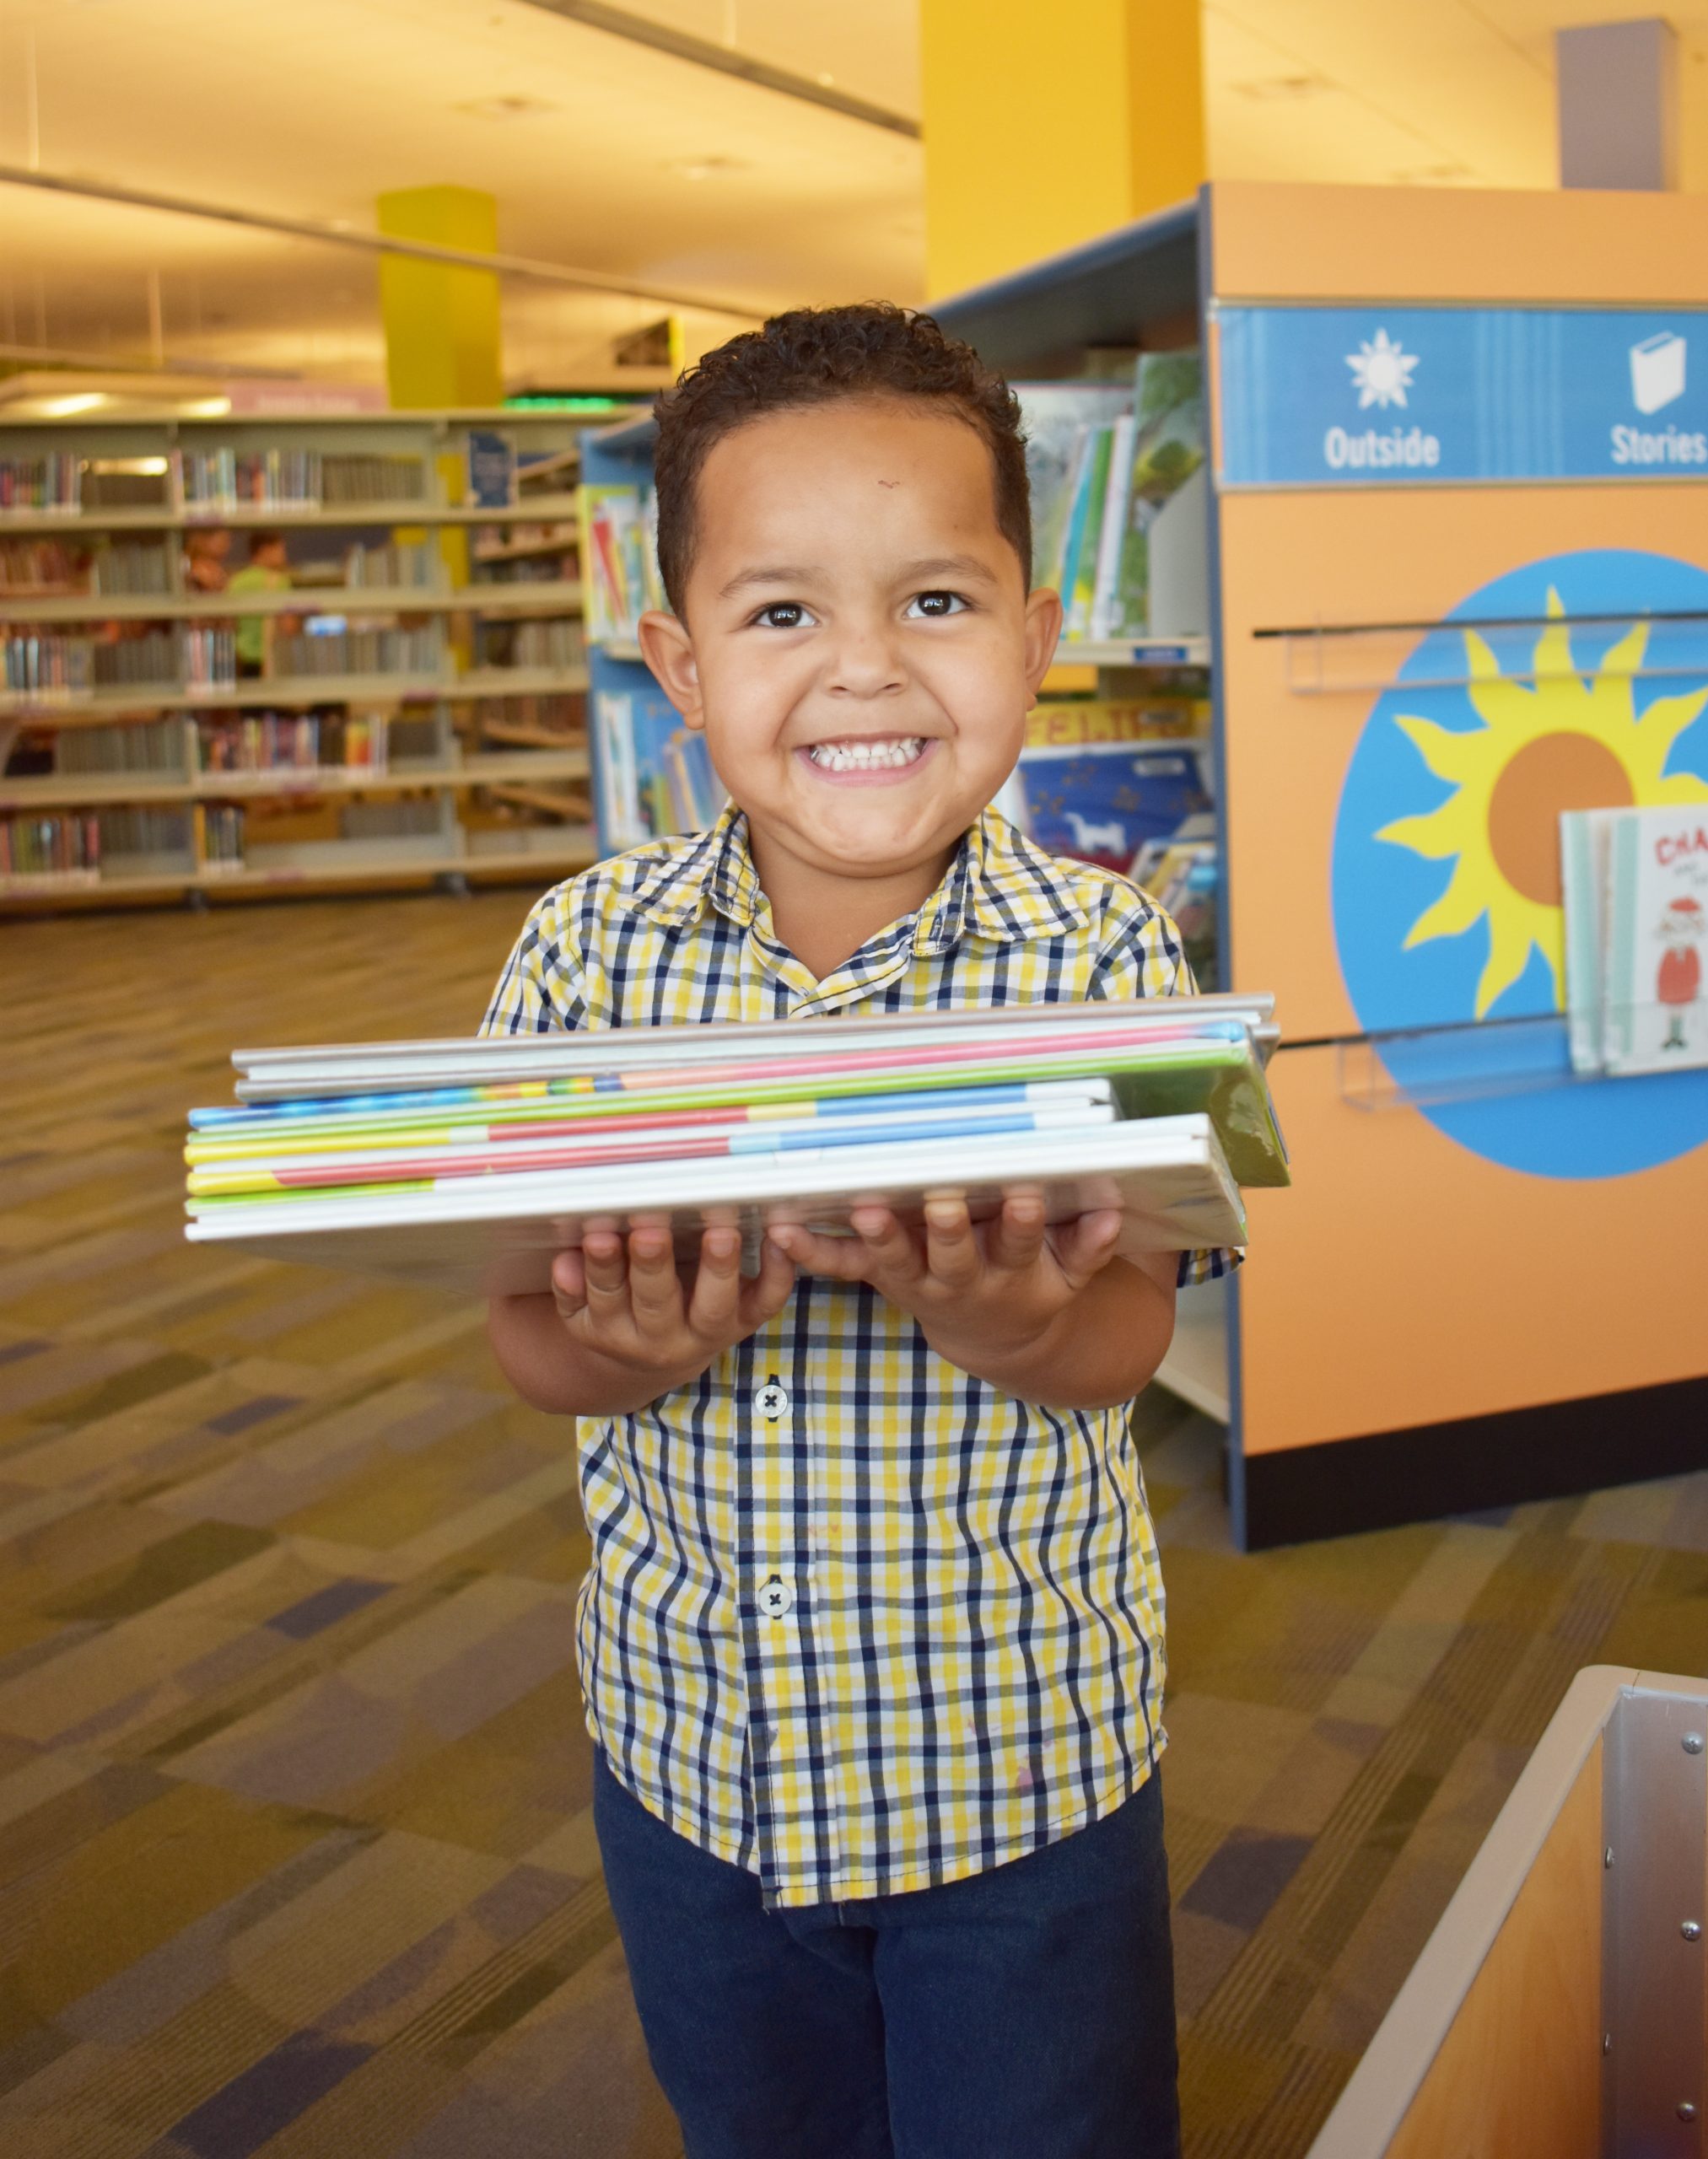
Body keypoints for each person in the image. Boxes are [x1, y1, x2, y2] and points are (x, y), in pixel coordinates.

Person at [482, 304, 1235, 2159]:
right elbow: (517, 1325)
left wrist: (1012, 1327)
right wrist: (618, 1349)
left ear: (1035, 640)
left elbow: (1138, 1317)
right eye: (780, 612)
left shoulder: (1115, 955)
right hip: (688, 1760)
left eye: (935, 601)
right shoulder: (580, 951)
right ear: (677, 659)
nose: (863, 671)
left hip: (1020, 1759)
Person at [225, 530, 291, 676]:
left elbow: (230, 623)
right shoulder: (279, 581)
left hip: (241, 658)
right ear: (265, 550)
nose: (284, 555)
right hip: (271, 658)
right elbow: (288, 626)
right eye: (280, 549)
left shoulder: (236, 581)